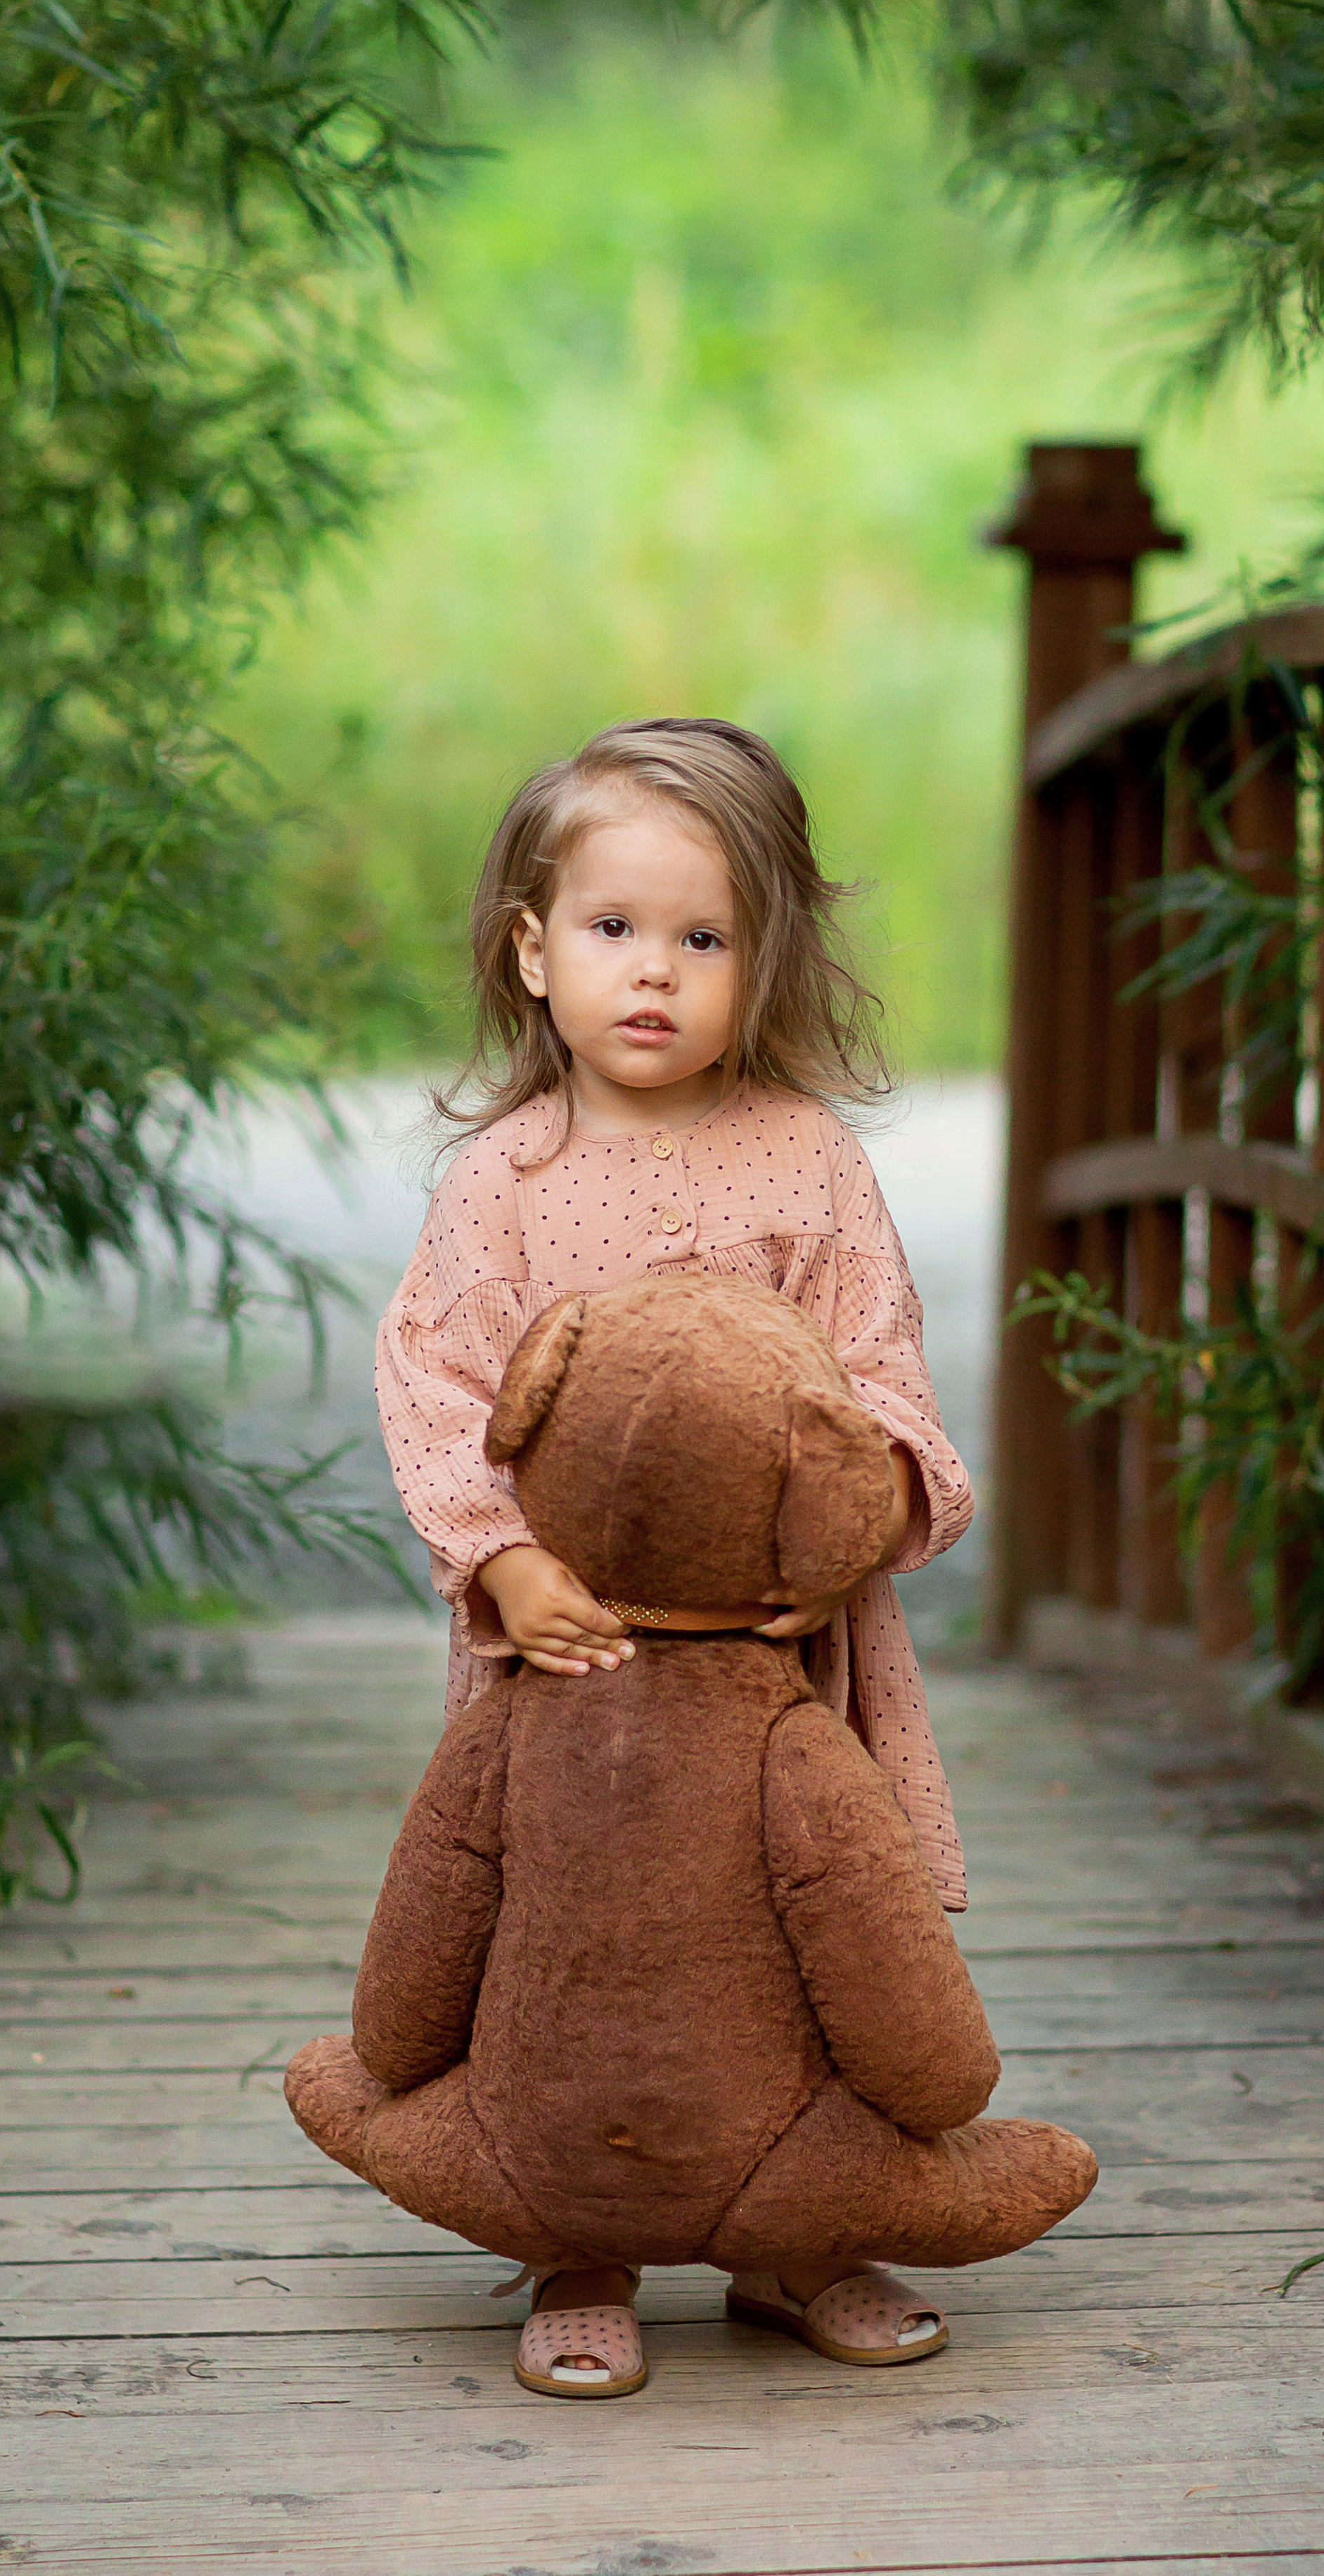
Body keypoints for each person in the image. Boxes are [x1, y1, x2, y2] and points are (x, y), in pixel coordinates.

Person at [374, 716, 975, 2390]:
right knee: (567, 1938)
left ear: (761, 958)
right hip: (570, 1654)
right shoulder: (505, 1181)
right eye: (612, 929)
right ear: (530, 946)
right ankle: (576, 2240)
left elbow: (883, 1375)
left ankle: (798, 2238)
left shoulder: (804, 1163)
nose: (653, 974)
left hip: (780, 1660)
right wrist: (496, 1556)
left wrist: (855, 1528)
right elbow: (429, 1378)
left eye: (701, 938)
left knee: (807, 1927)